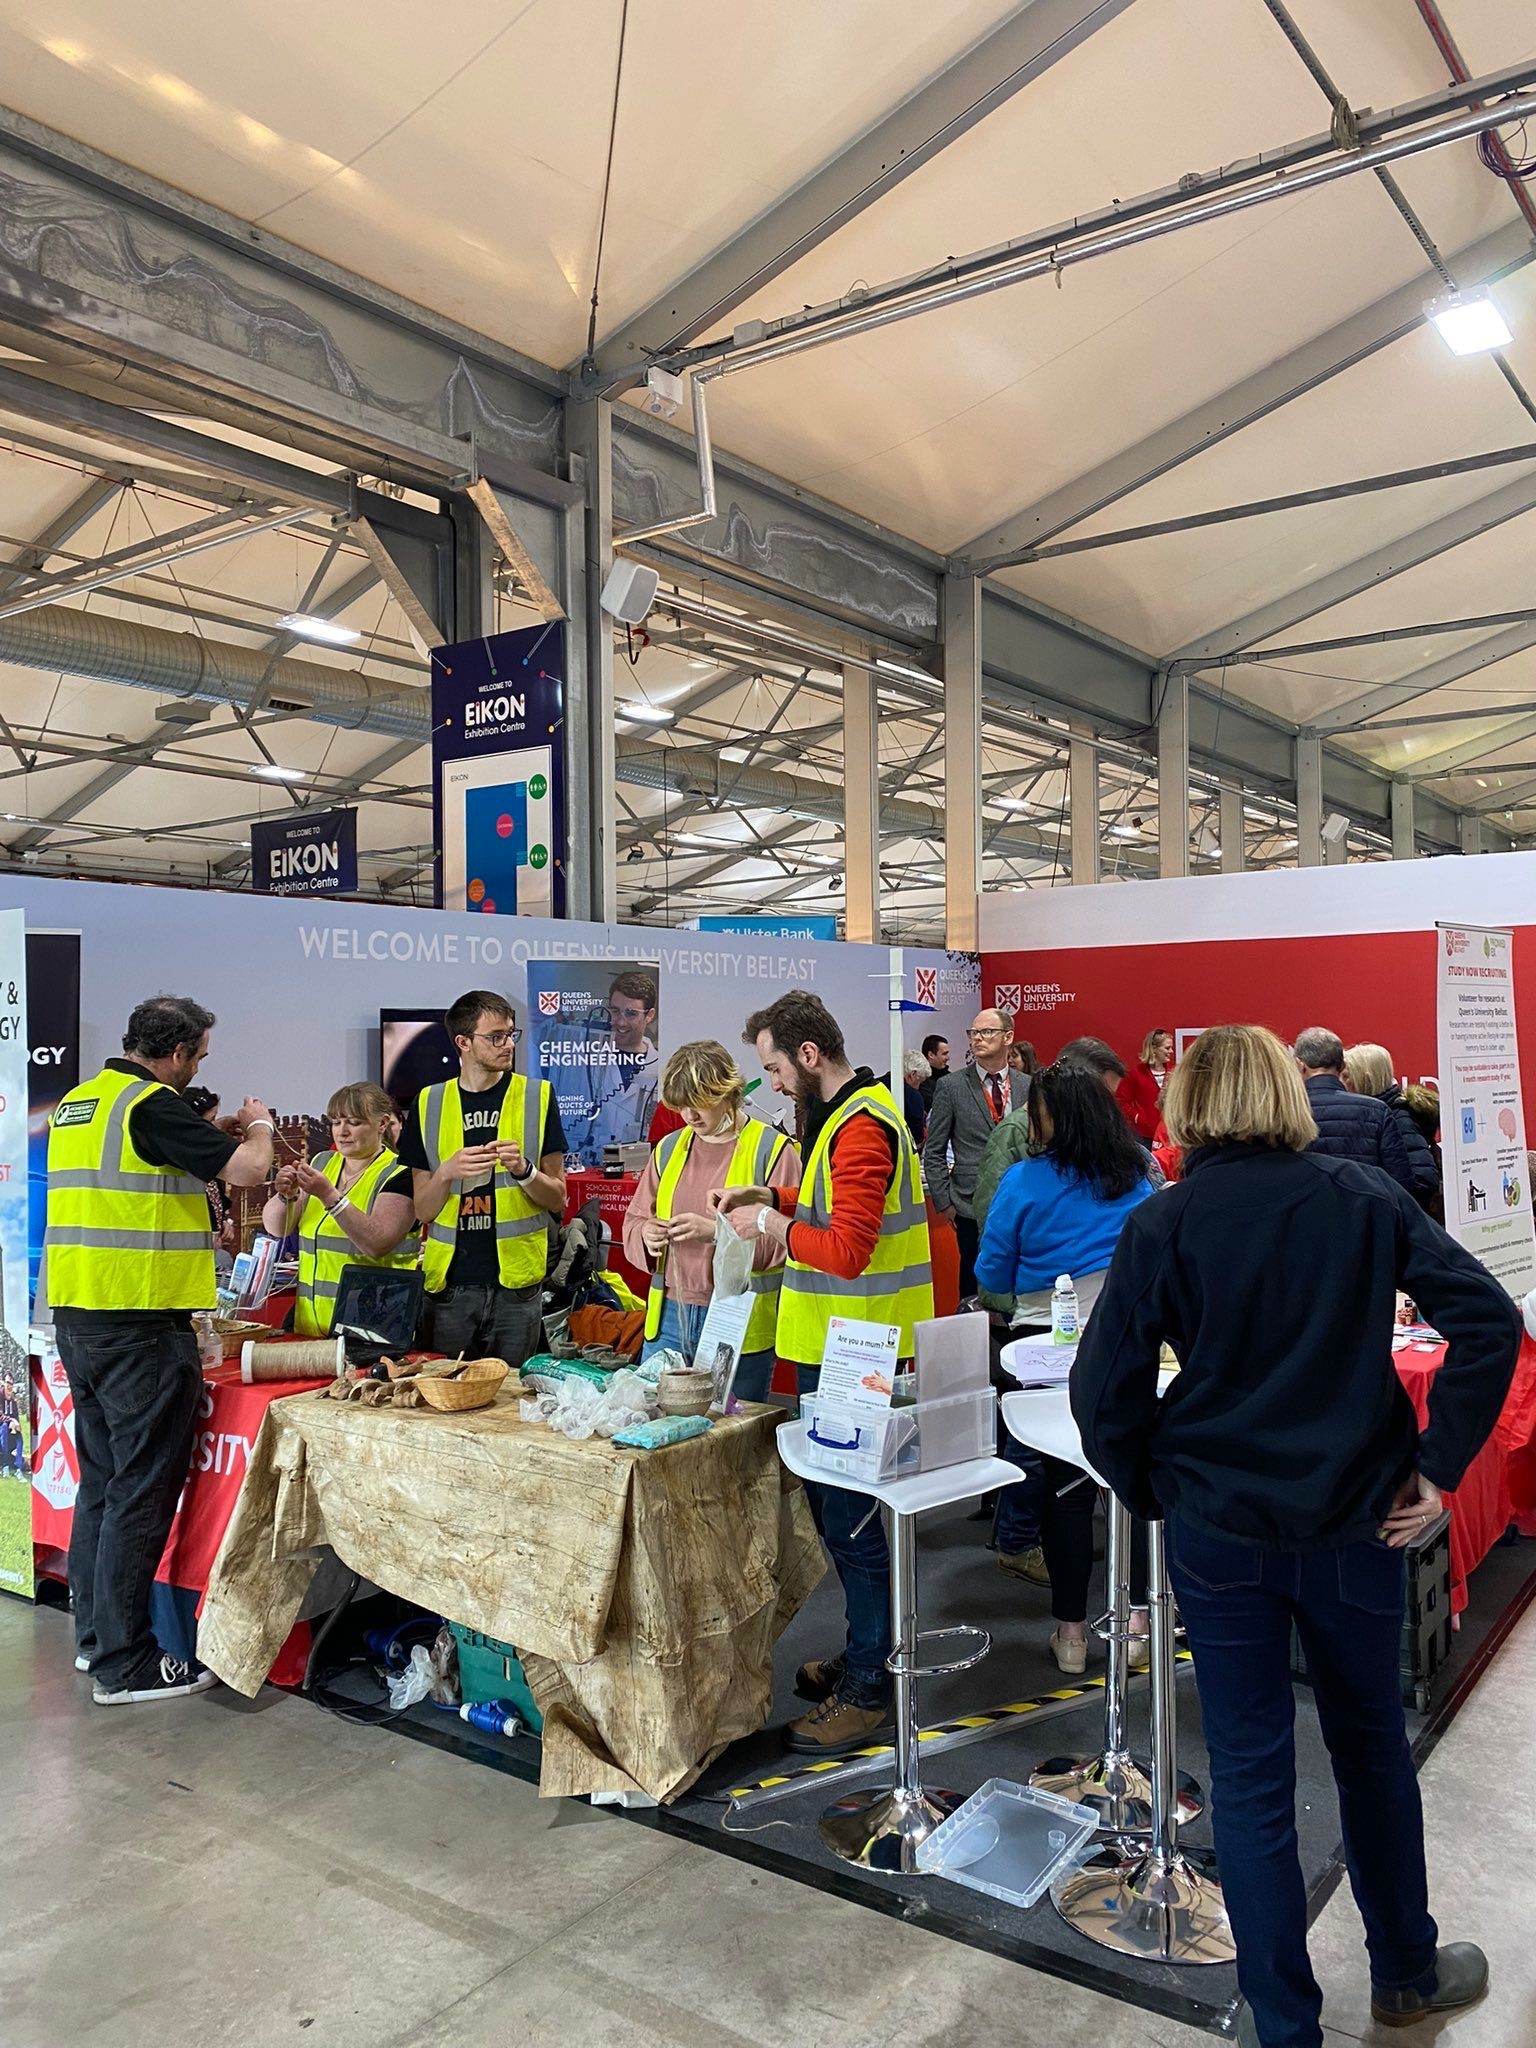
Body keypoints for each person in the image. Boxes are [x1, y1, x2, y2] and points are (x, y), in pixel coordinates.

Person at [1071, 1025, 1520, 2048]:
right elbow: (1488, 1321)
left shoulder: (1165, 1220)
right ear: (1287, 1090)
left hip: (1220, 1531)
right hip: (1356, 1520)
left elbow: (1103, 1394)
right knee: (1371, 1748)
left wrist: (1153, 1488)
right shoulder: (1363, 1196)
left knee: (1251, 1774)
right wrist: (1441, 1464)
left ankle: (1285, 2026)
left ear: (1189, 1103)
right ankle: (1405, 1970)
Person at [716, 990, 934, 1754]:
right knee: (843, 1519)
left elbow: (847, 1250)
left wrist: (769, 1222)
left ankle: (870, 1685)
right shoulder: (847, 1117)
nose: (773, 1083)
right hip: (843, 1351)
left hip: (858, 1357)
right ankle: (868, 1652)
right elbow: (830, 1206)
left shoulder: (861, 1125)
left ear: (809, 1056)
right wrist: (771, 1195)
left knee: (851, 1523)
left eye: (776, 1068)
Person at [44, 995, 277, 1704]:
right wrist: (259, 1124)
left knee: (104, 1486)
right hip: (140, 1325)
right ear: (176, 1054)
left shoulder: (82, 1103)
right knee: (141, 1495)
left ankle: (96, 1639)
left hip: (80, 1316)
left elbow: (135, 1179)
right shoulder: (150, 1105)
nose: (198, 1068)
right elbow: (249, 1170)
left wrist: (203, 1133)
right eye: (198, 1057)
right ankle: (127, 1663)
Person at [976, 1060, 1156, 1671]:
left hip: (1045, 1347)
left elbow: (992, 1272)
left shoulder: (1024, 1181)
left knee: (1066, 1489)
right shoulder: (1134, 1175)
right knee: (1130, 1484)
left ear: (1050, 1117)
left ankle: (1072, 1634)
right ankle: (1137, 1624)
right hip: (1124, 1343)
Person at [396, 990, 566, 1367]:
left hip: (518, 1287)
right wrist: (446, 1173)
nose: (508, 1045)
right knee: (445, 1392)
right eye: (496, 1037)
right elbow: (423, 1211)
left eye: (510, 1034)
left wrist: (524, 1170)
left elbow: (558, 1198)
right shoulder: (429, 1103)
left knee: (515, 1394)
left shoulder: (537, 1096)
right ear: (464, 1042)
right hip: (451, 1287)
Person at [623, 1040, 798, 1402]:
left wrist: (717, 1234)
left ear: (726, 1092)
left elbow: (787, 1241)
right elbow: (634, 1220)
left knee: (732, 1428)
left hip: (737, 1319)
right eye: (681, 1105)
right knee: (656, 1420)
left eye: (699, 1102)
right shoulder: (668, 1149)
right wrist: (646, 1234)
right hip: (668, 1318)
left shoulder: (773, 1150)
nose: (689, 1115)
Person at [262, 1082, 419, 1336]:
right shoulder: (322, 1162)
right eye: (336, 1122)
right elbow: (276, 1229)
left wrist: (329, 1195)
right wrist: (286, 1196)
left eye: (354, 1123)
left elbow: (377, 1243)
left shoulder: (401, 1173)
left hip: (371, 1330)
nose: (342, 1132)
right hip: (311, 1326)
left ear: (382, 1124)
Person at [924, 1007, 1017, 1296]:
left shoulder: (1027, 1084)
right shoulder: (951, 1086)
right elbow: (934, 1150)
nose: (977, 1038)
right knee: (972, 1282)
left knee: (1017, 1278)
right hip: (968, 1203)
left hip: (1018, 1200)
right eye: (973, 1033)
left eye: (986, 1032)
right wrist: (945, 1202)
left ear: (1008, 1037)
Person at [1294, 1026, 1416, 1194]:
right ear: (1342, 1065)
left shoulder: (1285, 1113)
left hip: (1306, 1208)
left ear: (1299, 1065)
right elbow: (1401, 1184)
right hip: (1367, 1208)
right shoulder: (1377, 1111)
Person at [1342, 1043, 1441, 1213]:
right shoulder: (1378, 1114)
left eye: (1346, 1076)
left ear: (1365, 1079)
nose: (1341, 1083)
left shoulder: (1399, 1118)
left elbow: (1424, 1179)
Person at [183, 1084, 238, 1276]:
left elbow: (216, 1201)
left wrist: (224, 1222)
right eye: (211, 1120)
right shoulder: (182, 1162)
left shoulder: (209, 1163)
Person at [1118, 1028, 1174, 1141]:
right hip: (1144, 1136)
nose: (1171, 1051)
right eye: (1167, 1048)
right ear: (1154, 1049)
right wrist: (1137, 1117)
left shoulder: (1174, 1072)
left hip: (1169, 1134)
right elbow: (1121, 1100)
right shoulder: (1136, 1073)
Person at [901, 1048, 930, 1145]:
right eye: (920, 1082)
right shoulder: (914, 1097)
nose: (918, 1088)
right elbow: (917, 1139)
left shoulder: (874, 1085)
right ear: (912, 1074)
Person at [918, 1033, 949, 1108]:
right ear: (931, 1055)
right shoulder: (919, 1080)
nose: (948, 1058)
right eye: (944, 1054)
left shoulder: (950, 1077)